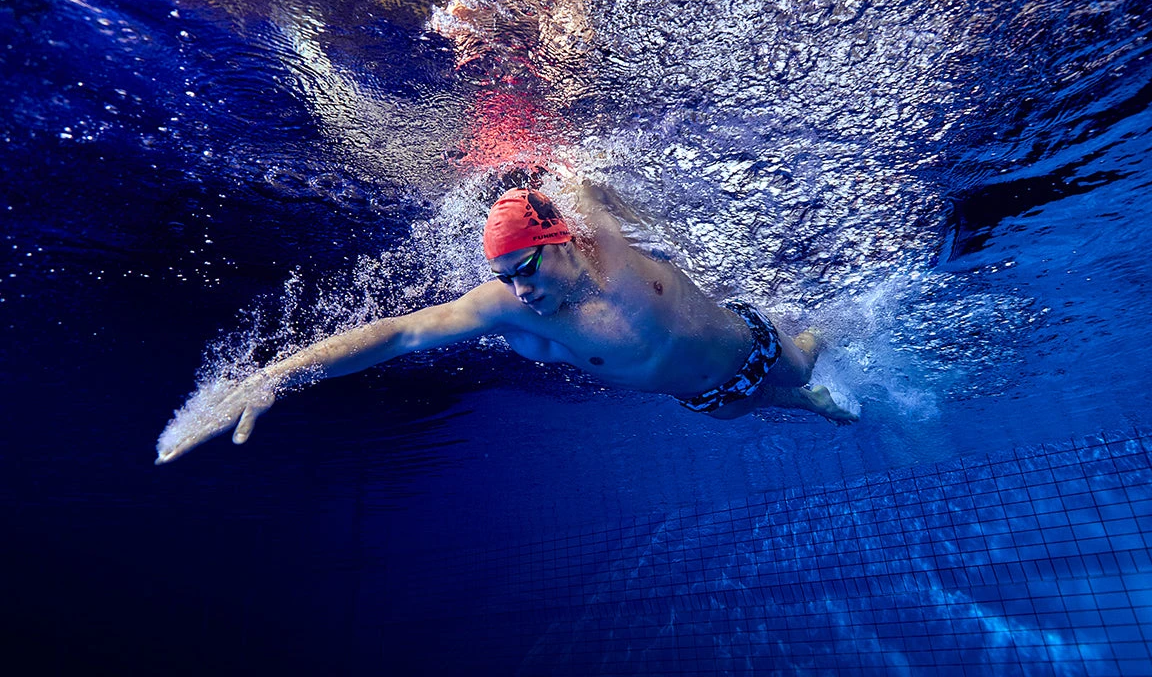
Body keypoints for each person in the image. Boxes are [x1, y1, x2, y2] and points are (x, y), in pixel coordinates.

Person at [155, 184, 858, 465]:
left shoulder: (607, 245)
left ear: (561, 241)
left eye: (527, 268)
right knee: (773, 406)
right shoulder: (510, 310)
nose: (520, 290)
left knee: (804, 363)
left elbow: (587, 181)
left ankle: (827, 335)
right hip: (709, 401)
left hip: (755, 342)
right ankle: (805, 400)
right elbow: (402, 332)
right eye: (506, 277)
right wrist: (281, 374)